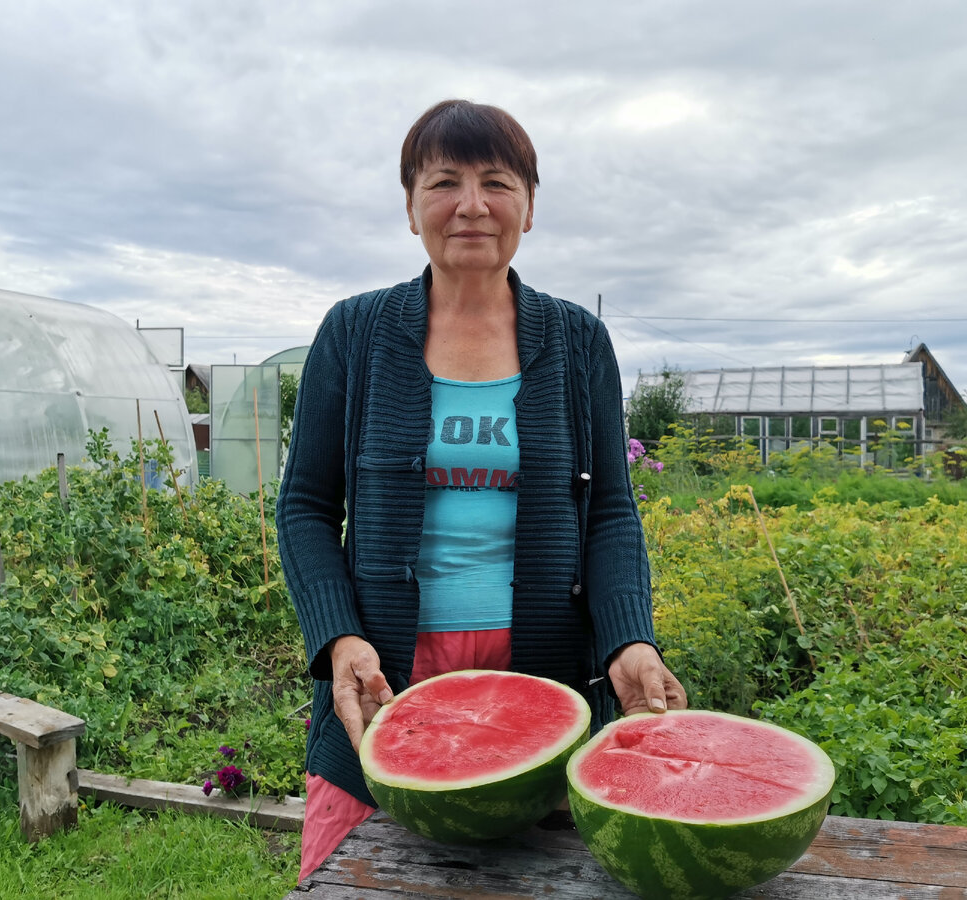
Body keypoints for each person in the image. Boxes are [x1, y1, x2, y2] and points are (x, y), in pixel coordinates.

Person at [276, 98, 687, 883]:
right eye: (443, 182)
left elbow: (608, 512)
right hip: (384, 679)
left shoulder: (577, 342)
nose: (471, 205)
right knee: (354, 881)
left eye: (496, 181)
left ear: (528, 208)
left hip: (544, 683)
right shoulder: (354, 334)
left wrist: (629, 639)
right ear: (409, 207)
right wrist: (338, 640)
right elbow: (302, 509)